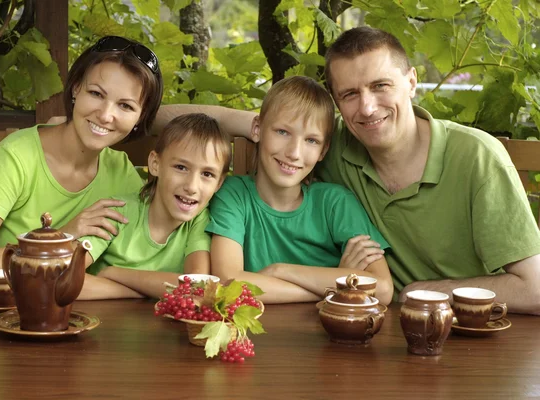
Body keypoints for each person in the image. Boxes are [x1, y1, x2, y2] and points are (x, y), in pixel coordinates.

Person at [156, 27, 540, 314]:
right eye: (350, 94)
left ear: (411, 82)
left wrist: (420, 290)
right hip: (358, 312)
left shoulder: (476, 156)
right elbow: (222, 121)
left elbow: (535, 290)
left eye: (381, 86)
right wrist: (122, 118)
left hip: (455, 321)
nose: (368, 108)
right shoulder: (329, 140)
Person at [0, 36, 163, 299]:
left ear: (141, 117)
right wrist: (60, 239)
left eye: (125, 106)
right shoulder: (18, 156)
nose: (105, 115)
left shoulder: (121, 173)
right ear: (75, 89)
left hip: (69, 317)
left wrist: (124, 288)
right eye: (96, 94)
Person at [205, 76, 393, 305]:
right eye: (283, 132)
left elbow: (382, 289)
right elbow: (229, 282)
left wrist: (279, 271)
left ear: (323, 151)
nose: (294, 152)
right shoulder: (234, 195)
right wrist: (334, 288)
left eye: (311, 141)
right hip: (252, 336)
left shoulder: (335, 203)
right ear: (257, 129)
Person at [80, 113, 231, 299]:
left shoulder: (199, 221)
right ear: (155, 164)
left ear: (219, 183)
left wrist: (115, 274)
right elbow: (64, 282)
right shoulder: (116, 212)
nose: (192, 186)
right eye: (181, 167)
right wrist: (140, 292)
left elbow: (196, 288)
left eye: (207, 174)